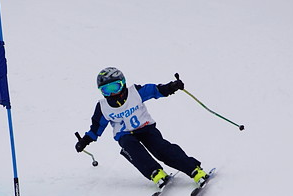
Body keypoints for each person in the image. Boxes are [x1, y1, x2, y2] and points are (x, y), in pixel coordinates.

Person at [75, 67, 208, 187]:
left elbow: (155, 90)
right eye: (106, 90)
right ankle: (156, 173)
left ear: (123, 84)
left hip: (145, 128)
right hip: (125, 135)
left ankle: (194, 170)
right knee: (132, 149)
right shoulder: (103, 107)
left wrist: (171, 87)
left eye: (114, 87)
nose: (112, 94)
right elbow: (96, 127)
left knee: (161, 149)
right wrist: (85, 140)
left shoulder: (135, 93)